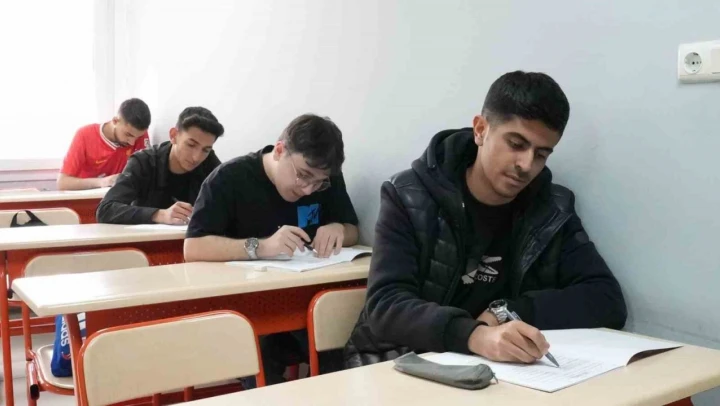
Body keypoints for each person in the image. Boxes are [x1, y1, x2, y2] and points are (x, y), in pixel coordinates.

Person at [344, 71, 627, 368]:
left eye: (541, 154)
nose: (526, 165)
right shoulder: (408, 195)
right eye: (516, 144)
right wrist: (475, 336)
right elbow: (386, 305)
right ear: (480, 130)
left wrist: (506, 312)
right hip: (399, 363)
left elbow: (607, 300)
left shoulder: (551, 208)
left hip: (498, 374)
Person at [184, 113, 359, 384]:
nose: (308, 189)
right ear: (279, 151)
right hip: (243, 311)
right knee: (259, 363)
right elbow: (193, 247)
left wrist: (339, 229)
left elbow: (352, 229)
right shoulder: (228, 179)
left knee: (340, 352)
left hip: (305, 305)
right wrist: (261, 247)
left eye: (319, 182)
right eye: (303, 175)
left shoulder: (326, 178)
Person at [96, 106, 224, 224]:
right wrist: (159, 214)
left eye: (206, 150)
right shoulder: (143, 162)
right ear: (173, 135)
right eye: (191, 145)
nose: (197, 157)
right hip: (148, 239)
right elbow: (105, 210)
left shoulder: (210, 163)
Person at [57, 98, 151, 190]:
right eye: (128, 135)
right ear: (115, 121)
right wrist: (102, 182)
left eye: (137, 137)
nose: (132, 142)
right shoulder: (84, 135)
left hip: (120, 198)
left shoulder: (138, 134)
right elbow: (62, 183)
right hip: (89, 197)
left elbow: (147, 176)